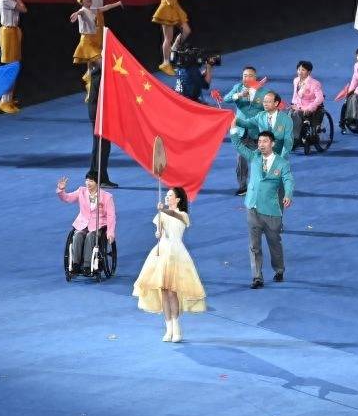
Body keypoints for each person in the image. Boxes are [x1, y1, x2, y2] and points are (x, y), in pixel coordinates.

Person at [132, 186, 207, 342]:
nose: (167, 197)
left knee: (173, 292)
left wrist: (163, 210)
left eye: (170, 195)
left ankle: (177, 328)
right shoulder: (161, 214)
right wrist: (158, 233)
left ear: (178, 199)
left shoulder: (183, 215)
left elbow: (175, 216)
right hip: (162, 252)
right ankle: (168, 329)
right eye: (166, 195)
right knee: (164, 292)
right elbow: (159, 232)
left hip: (176, 253)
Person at [230, 129, 294, 289]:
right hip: (252, 207)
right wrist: (233, 130)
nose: (261, 144)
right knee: (254, 245)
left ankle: (279, 269)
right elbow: (238, 145)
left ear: (272, 144)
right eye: (259, 142)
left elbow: (288, 180)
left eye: (264, 141)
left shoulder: (282, 163)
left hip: (271, 210)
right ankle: (257, 277)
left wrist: (288, 194)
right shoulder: (254, 157)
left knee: (274, 243)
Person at [56, 173, 116, 274]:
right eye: (87, 180)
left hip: (98, 225)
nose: (88, 183)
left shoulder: (106, 197)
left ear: (97, 183)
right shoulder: (81, 191)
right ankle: (75, 264)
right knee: (78, 235)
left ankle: (87, 265)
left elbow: (111, 216)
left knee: (90, 236)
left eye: (91, 181)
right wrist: (61, 190)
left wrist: (110, 232)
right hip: (82, 223)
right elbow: (67, 198)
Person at [0, 0, 31, 114]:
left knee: (15, 66)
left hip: (14, 31)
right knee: (11, 67)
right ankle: (4, 100)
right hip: (8, 33)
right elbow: (24, 9)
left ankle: (8, 99)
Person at [71, 0, 122, 100]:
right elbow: (80, 12)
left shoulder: (93, 10)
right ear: (82, 2)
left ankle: (91, 89)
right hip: (87, 43)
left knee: (93, 68)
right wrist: (76, 13)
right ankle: (108, 89)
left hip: (94, 41)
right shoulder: (83, 10)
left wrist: (117, 4)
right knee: (102, 64)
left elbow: (105, 7)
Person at [225, 66, 265, 196]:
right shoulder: (238, 87)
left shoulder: (262, 92)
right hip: (241, 132)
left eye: (249, 75)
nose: (246, 78)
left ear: (255, 77)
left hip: (255, 132)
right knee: (241, 161)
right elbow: (227, 99)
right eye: (244, 75)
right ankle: (242, 186)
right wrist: (240, 95)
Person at [152, 0, 195, 76]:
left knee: (186, 30)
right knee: (167, 38)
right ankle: (165, 63)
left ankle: (174, 48)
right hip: (166, 7)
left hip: (174, 5)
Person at [236, 91, 294, 158]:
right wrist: (234, 119)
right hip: (262, 156)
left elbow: (288, 142)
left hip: (279, 156)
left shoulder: (286, 119)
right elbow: (247, 123)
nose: (265, 104)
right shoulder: (260, 116)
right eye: (264, 102)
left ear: (276, 103)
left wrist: (281, 159)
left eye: (268, 102)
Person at [87, 62, 117, 188]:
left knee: (99, 144)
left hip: (97, 110)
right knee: (102, 145)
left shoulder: (95, 73)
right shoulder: (100, 76)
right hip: (99, 111)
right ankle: (100, 178)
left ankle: (94, 175)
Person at [290, 60, 325, 143]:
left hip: (311, 107)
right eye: (298, 69)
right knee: (289, 115)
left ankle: (296, 138)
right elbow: (295, 94)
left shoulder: (315, 83)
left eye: (303, 70)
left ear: (309, 72)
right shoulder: (296, 80)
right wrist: (293, 104)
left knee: (297, 114)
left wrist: (310, 108)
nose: (300, 72)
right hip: (299, 106)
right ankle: (289, 137)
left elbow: (320, 98)